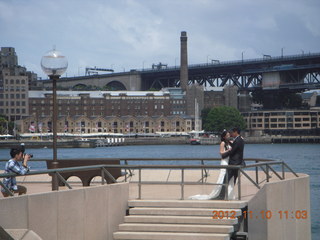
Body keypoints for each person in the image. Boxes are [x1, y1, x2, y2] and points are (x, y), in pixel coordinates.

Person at [189, 130, 233, 200]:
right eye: (227, 135)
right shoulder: (222, 143)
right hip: (224, 161)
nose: (229, 136)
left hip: (229, 161)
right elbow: (221, 153)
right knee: (222, 177)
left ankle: (226, 193)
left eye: (229, 135)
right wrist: (229, 150)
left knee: (228, 178)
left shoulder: (230, 143)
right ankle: (218, 193)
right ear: (224, 137)